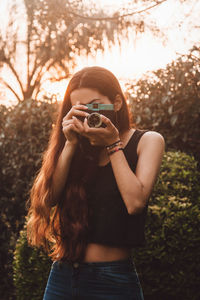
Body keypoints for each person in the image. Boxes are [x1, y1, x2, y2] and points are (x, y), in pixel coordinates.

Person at [27, 66, 165, 300]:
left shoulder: (148, 141)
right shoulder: (77, 146)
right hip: (63, 277)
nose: (88, 113)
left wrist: (112, 144)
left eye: (95, 105)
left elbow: (135, 202)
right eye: (79, 108)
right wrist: (70, 144)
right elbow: (49, 199)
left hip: (113, 281)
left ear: (117, 103)